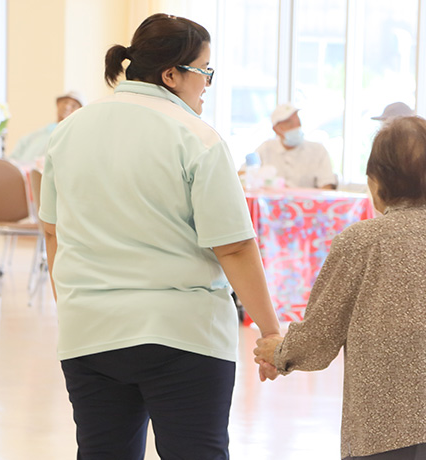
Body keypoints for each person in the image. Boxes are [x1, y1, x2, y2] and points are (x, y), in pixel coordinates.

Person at [38, 13, 282, 460]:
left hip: (89, 332)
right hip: (181, 336)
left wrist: (77, 306)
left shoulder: (68, 131)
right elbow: (232, 245)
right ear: (171, 74)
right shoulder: (198, 138)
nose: (207, 84)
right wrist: (270, 332)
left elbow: (54, 232)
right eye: (204, 71)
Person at [254, 116, 426, 460]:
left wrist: (279, 352)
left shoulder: (360, 243)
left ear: (375, 182)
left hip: (385, 429)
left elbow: (318, 340)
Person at [249, 103, 337, 190]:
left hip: (306, 203)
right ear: (276, 129)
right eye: (289, 123)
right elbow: (244, 175)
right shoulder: (265, 149)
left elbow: (327, 187)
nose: (296, 127)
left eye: (298, 122)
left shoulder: (318, 150)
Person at [8, 90, 85, 166]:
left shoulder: (73, 138)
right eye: (65, 102)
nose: (67, 107)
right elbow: (13, 157)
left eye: (73, 105)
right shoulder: (38, 133)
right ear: (58, 104)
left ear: (79, 111)